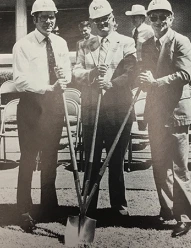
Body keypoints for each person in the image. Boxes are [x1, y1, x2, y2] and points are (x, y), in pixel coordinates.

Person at [73, 0, 136, 217]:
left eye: (105, 19)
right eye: (97, 21)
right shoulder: (84, 45)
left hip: (118, 110)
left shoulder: (127, 42)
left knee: (115, 160)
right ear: (93, 23)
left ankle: (118, 205)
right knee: (91, 160)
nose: (102, 24)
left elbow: (131, 73)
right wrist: (91, 75)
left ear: (112, 18)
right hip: (92, 111)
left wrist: (112, 83)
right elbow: (76, 72)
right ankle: (89, 207)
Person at [138, 0, 191, 237]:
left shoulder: (181, 41)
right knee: (160, 166)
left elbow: (185, 74)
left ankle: (184, 217)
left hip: (176, 114)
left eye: (163, 17)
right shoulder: (147, 43)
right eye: (154, 17)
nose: (159, 22)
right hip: (155, 114)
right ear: (149, 20)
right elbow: (146, 71)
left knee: (179, 168)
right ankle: (167, 210)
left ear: (171, 18)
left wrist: (155, 83)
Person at [13, 0, 71, 230]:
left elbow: (66, 73)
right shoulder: (23, 45)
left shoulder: (61, 43)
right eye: (44, 17)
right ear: (34, 19)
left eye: (52, 17)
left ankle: (49, 206)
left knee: (50, 159)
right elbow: (20, 80)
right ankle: (23, 209)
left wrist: (63, 80)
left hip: (54, 106)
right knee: (28, 158)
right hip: (31, 106)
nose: (49, 21)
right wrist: (47, 87)